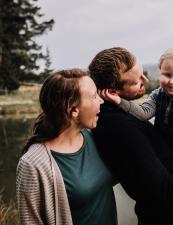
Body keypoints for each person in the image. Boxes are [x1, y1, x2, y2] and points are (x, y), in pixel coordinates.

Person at [89, 47, 173, 225]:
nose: (146, 80)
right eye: (136, 81)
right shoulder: (119, 127)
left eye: (142, 74)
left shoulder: (118, 114)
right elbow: (165, 196)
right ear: (113, 92)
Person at [16, 69, 117, 225]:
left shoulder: (95, 138)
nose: (101, 101)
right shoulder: (32, 164)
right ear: (73, 109)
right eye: (93, 96)